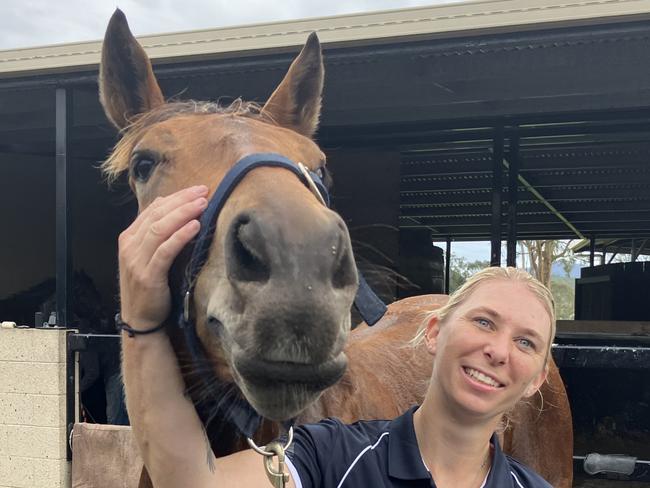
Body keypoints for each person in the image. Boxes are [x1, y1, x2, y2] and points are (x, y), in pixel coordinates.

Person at [118, 185, 554, 488]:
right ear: (434, 333)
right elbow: (192, 482)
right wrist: (142, 318)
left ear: (537, 378)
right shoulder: (333, 457)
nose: (497, 350)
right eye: (483, 322)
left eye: (526, 342)